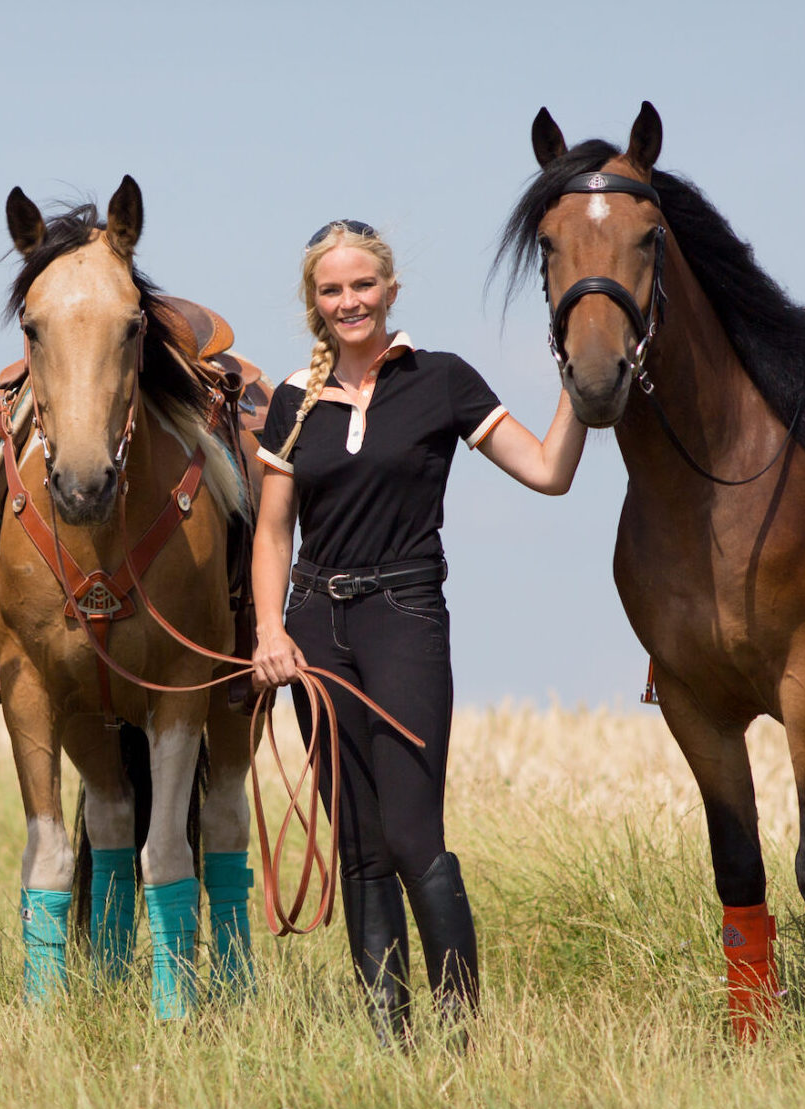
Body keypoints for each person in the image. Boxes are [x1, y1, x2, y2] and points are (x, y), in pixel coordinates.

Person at [250, 220, 586, 1044]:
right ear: (313, 303)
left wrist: (579, 385)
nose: (348, 301)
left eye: (361, 285)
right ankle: (390, 1037)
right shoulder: (294, 401)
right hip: (313, 627)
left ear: (390, 290)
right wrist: (268, 629)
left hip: (403, 613)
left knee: (409, 831)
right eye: (331, 290)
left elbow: (548, 471)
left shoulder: (441, 381)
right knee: (357, 842)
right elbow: (270, 531)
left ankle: (461, 1029)